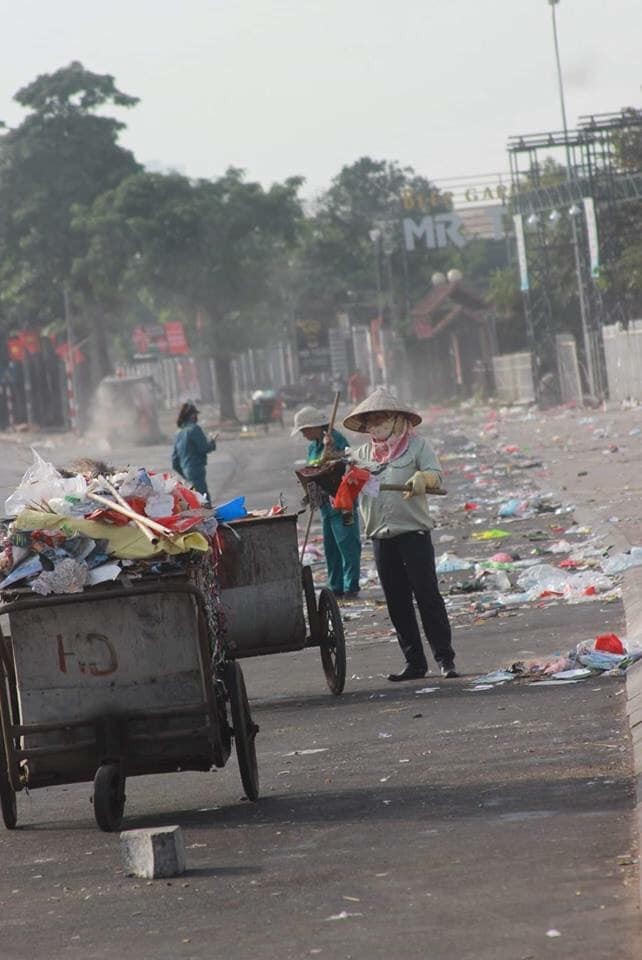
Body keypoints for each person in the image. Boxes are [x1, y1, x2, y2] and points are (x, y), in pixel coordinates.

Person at [344, 387, 457, 681]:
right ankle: (414, 663)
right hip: (381, 536)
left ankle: (445, 658)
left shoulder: (418, 447)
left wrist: (424, 478)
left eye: (382, 418)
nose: (375, 424)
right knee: (397, 601)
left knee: (427, 596)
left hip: (413, 533)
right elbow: (346, 487)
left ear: (397, 419)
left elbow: (437, 475)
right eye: (371, 420)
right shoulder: (360, 455)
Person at [292, 405, 362, 599]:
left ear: (315, 426)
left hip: (342, 501)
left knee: (347, 543)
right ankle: (336, 585)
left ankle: (351, 585)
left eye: (305, 430)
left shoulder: (335, 439)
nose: (304, 434)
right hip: (324, 504)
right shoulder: (313, 446)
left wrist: (332, 451)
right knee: (331, 547)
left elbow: (350, 460)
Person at [172, 401, 217, 504]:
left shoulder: (178, 433)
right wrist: (212, 442)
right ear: (192, 415)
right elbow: (204, 448)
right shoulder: (194, 429)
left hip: (186, 472)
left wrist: (184, 474)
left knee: (194, 500)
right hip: (196, 470)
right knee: (203, 500)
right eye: (195, 414)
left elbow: (174, 461)